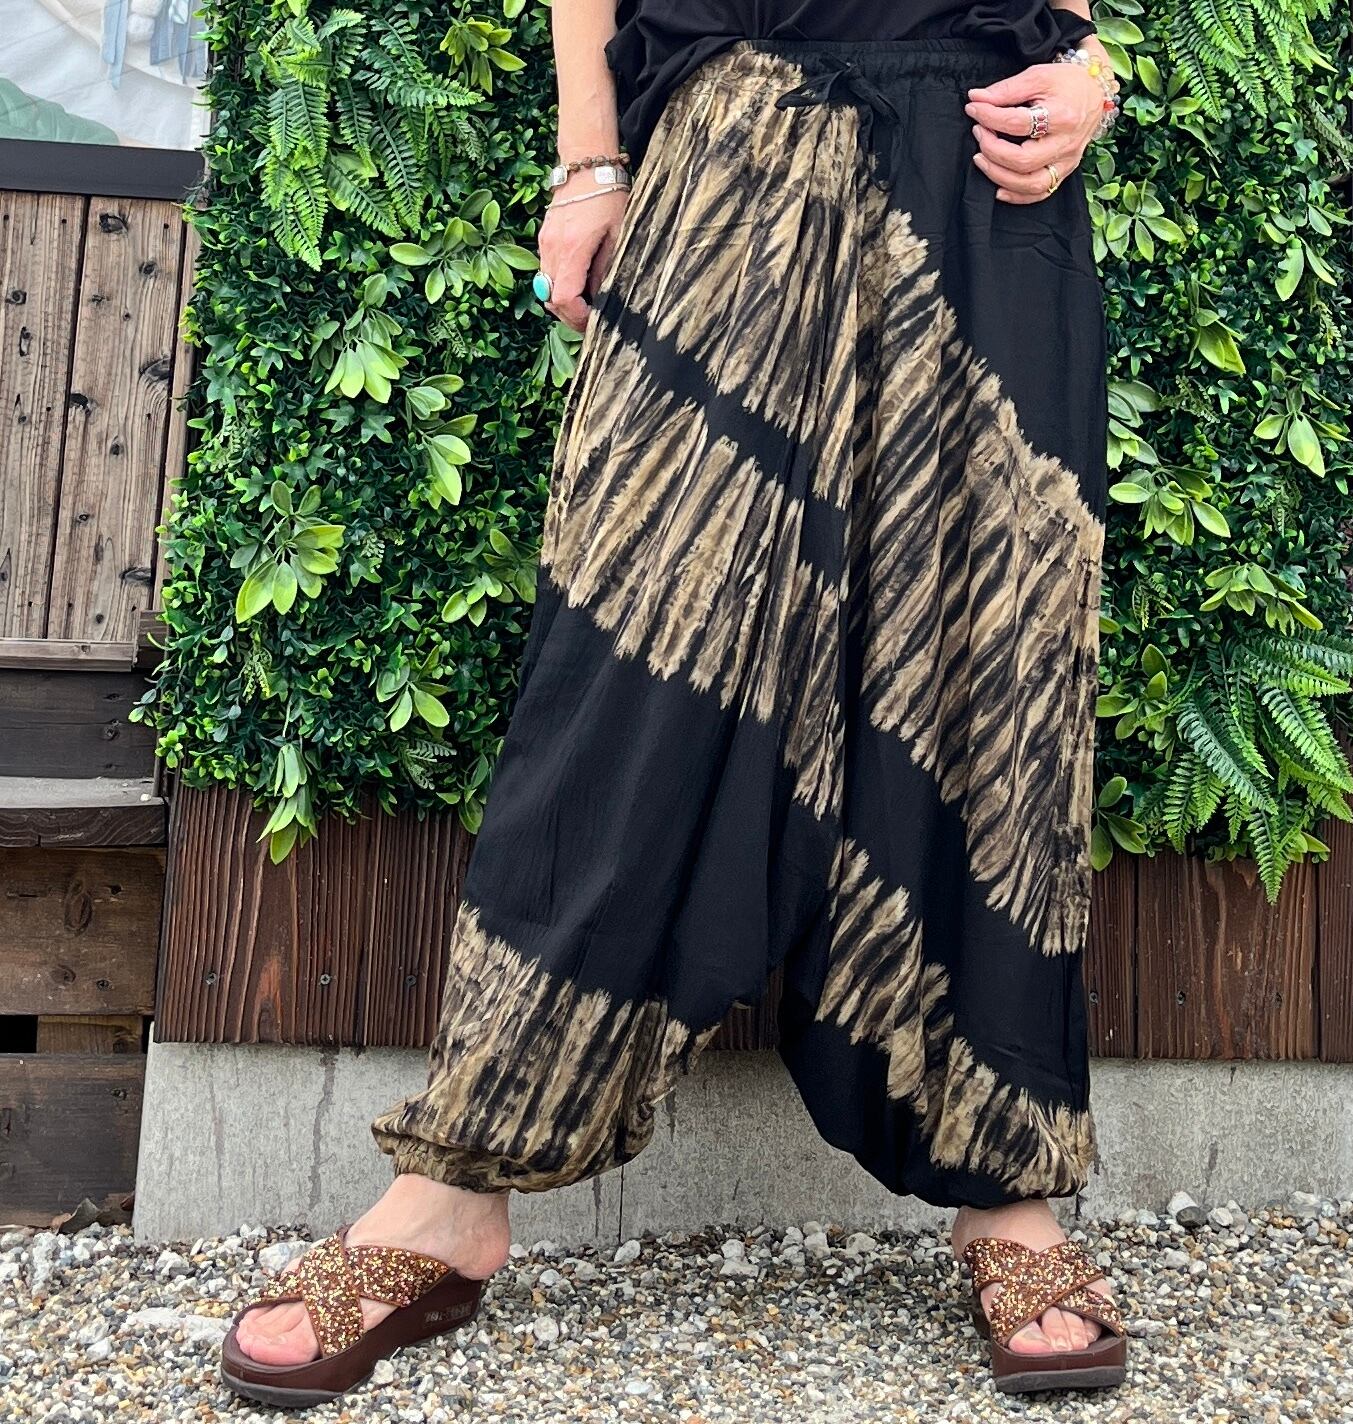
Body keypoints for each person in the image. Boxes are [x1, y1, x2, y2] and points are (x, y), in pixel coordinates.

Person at [220, 0, 1126, 1405]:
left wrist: (1088, 61)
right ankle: (455, 1187)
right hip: (729, 140)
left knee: (983, 656)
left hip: (985, 153)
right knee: (633, 657)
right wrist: (593, 163)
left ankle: (1007, 1189)